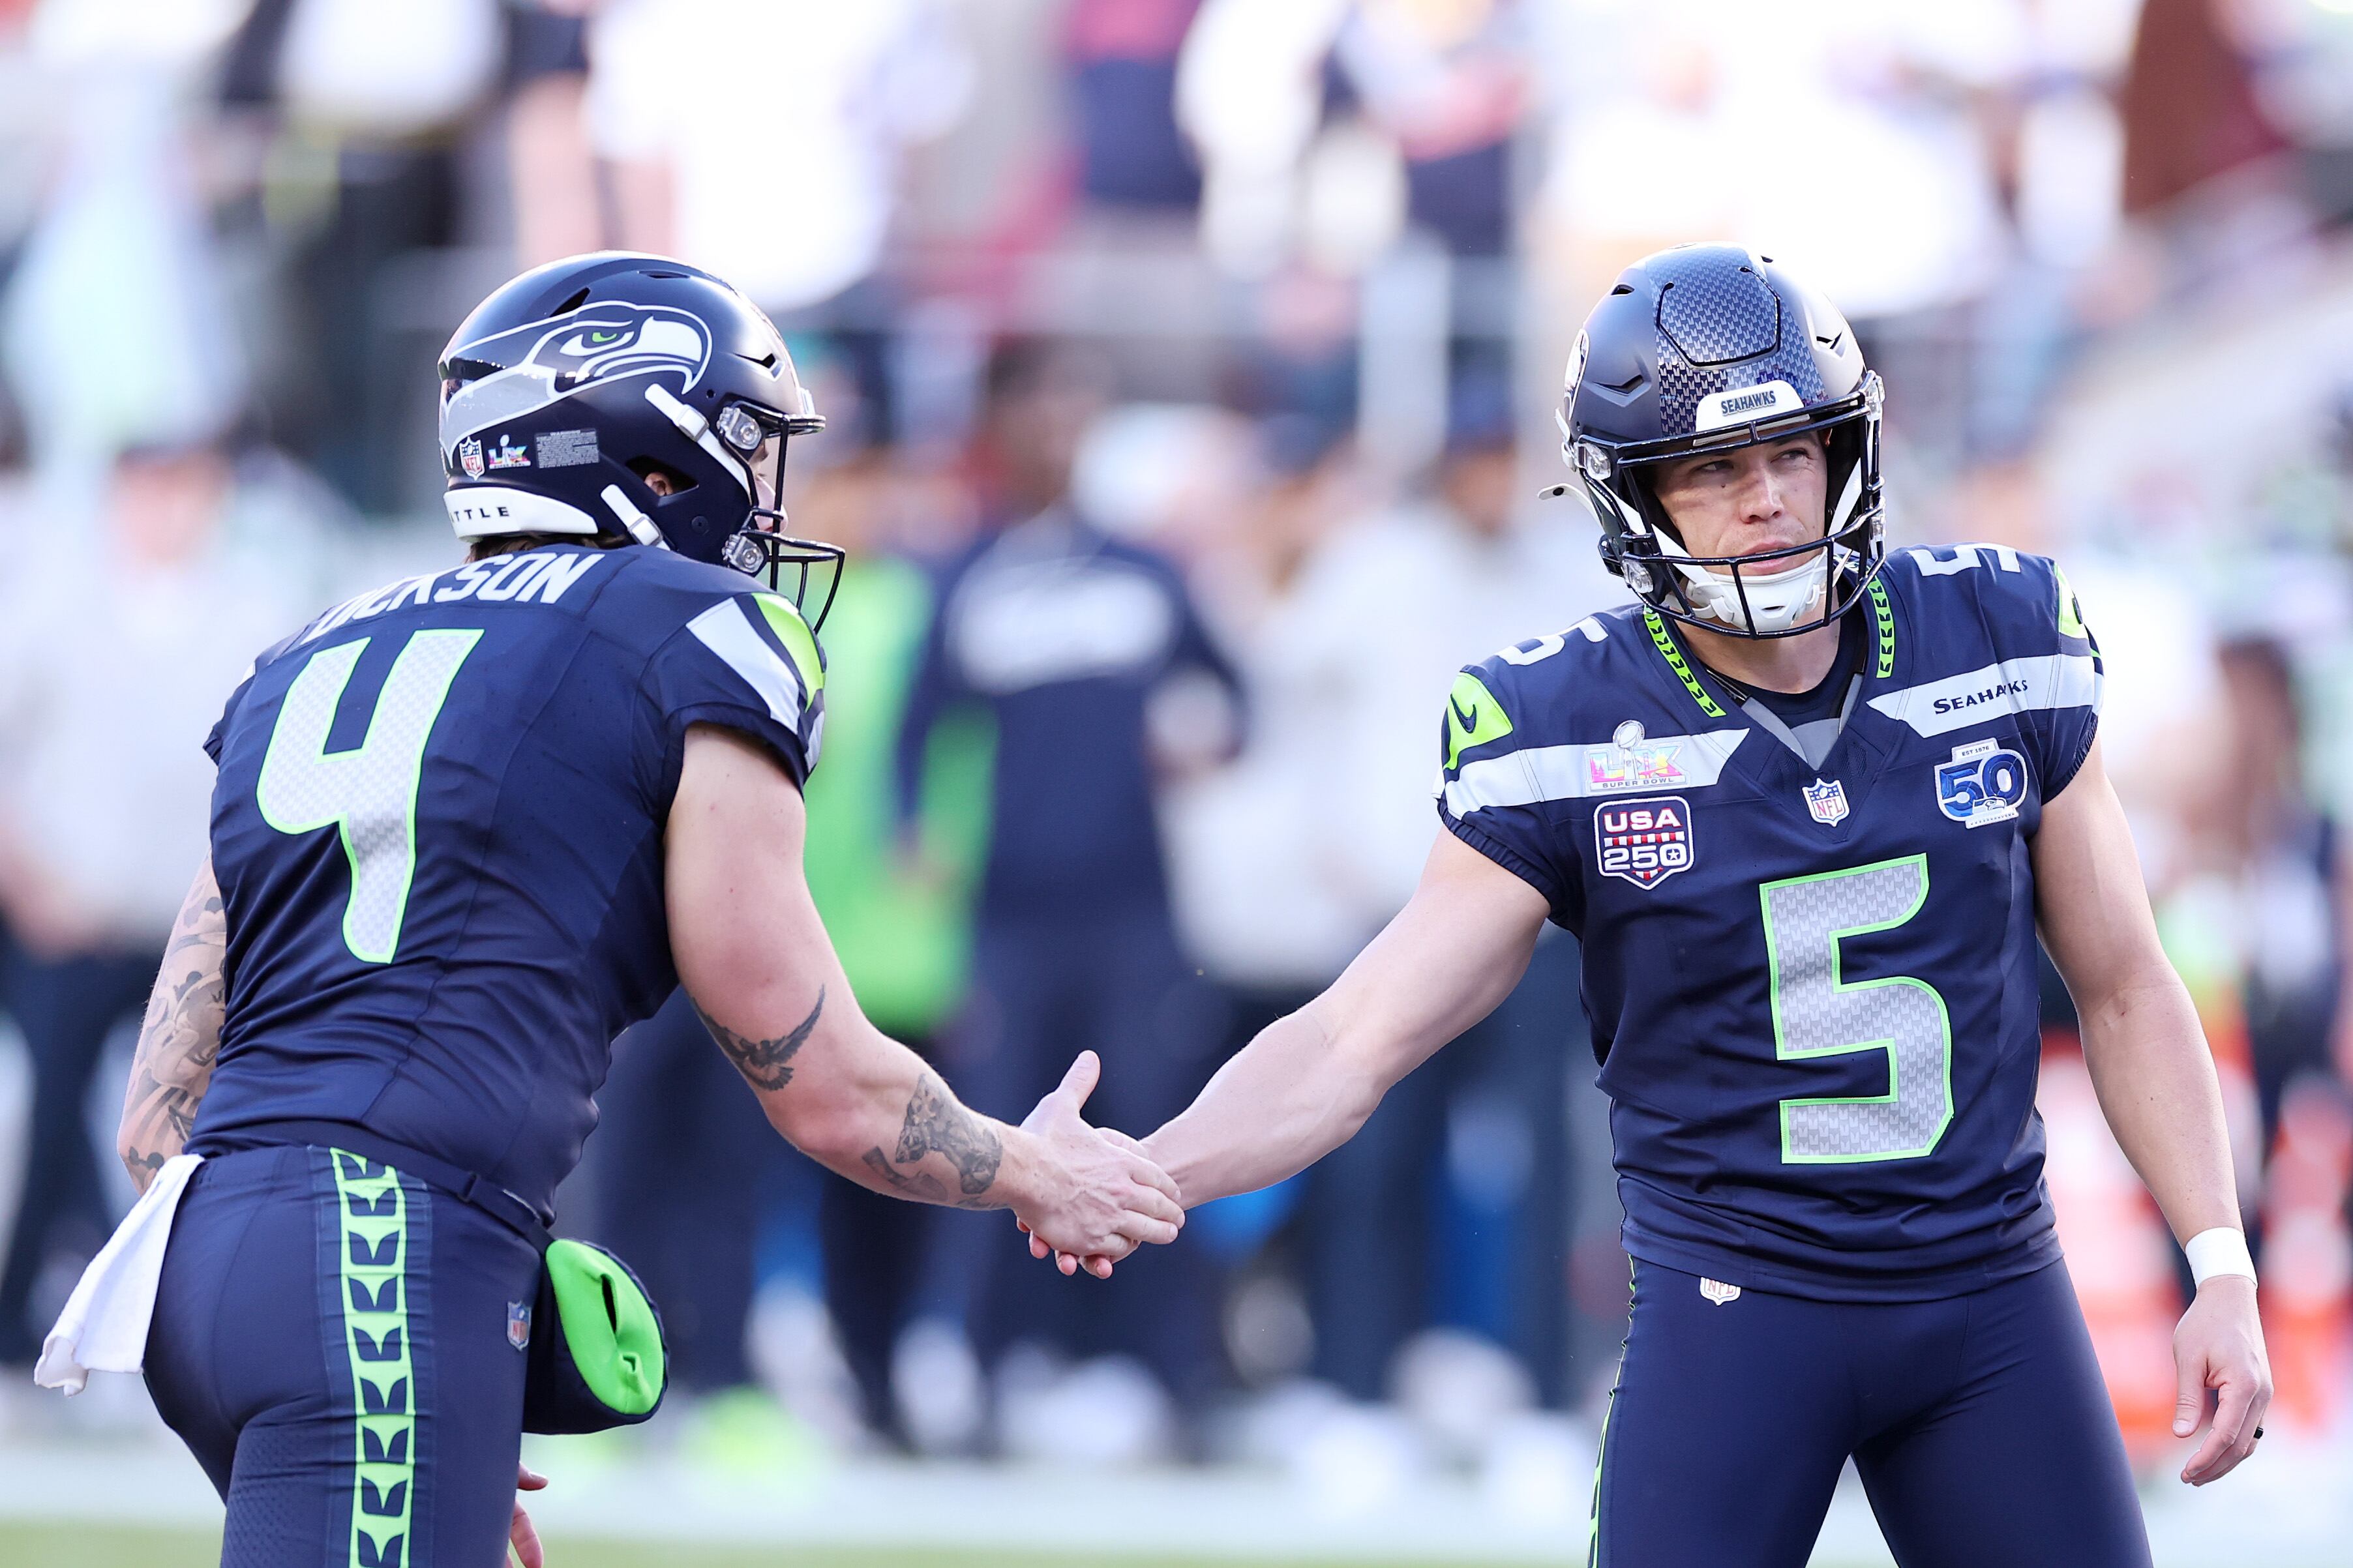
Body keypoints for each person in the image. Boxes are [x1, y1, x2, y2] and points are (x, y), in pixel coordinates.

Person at [1046, 244, 2271, 1566]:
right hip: (1739, 1313)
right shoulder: (1564, 722)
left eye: (1791, 452)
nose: (1766, 499)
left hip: (1990, 1302)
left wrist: (2220, 1264)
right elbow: (1355, 1037)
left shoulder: (1997, 634)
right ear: (1634, 497)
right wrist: (1145, 1168)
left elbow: (2126, 984)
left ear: (1848, 449)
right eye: (1711, 469)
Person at [59, 253, 1180, 1568]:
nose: (764, 493)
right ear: (649, 455)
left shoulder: (309, 649)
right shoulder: (689, 626)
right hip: (391, 1247)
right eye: (744, 444)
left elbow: (155, 1119)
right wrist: (1041, 1173)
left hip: (206, 1266)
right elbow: (826, 1089)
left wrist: (402, 1364)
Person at [898, 339, 1241, 1429]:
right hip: (1011, 916)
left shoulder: (1146, 571)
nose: (1058, 423)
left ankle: (1177, 1380)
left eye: (1072, 400)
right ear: (998, 423)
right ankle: (985, 1374)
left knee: (1156, 1137)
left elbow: (1233, 694)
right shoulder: (968, 576)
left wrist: (1206, 740)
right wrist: (914, 829)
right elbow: (916, 727)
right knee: (996, 1138)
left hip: (1134, 909)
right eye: (1037, 403)